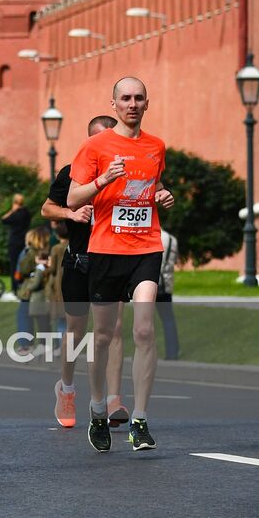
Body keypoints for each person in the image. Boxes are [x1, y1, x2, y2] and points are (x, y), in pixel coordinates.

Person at [68, 77, 175, 452]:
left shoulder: (156, 146)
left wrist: (161, 195)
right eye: (125, 98)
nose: (132, 104)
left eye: (138, 98)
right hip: (106, 250)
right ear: (113, 104)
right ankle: (98, 409)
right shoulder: (94, 146)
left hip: (146, 247)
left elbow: (151, 185)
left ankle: (141, 419)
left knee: (144, 330)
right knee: (103, 335)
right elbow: (72, 197)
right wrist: (102, 180)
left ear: (148, 104)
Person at [41, 113, 127, 429]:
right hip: (79, 261)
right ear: (90, 141)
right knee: (76, 331)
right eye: (102, 138)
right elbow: (46, 209)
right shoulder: (71, 174)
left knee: (114, 329)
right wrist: (70, 212)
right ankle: (66, 388)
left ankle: (114, 399)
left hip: (114, 261)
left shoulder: (124, 174)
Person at [1, 193, 33, 295]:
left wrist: (12, 210)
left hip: (14, 242)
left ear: (14, 202)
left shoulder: (15, 214)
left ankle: (15, 288)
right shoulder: (26, 213)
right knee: (24, 264)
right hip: (25, 241)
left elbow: (4, 219)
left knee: (14, 265)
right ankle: (24, 285)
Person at [157, 227, 179, 360]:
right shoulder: (172, 239)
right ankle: (173, 351)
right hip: (166, 284)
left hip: (153, 283)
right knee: (168, 319)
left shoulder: (152, 237)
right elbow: (174, 260)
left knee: (144, 320)